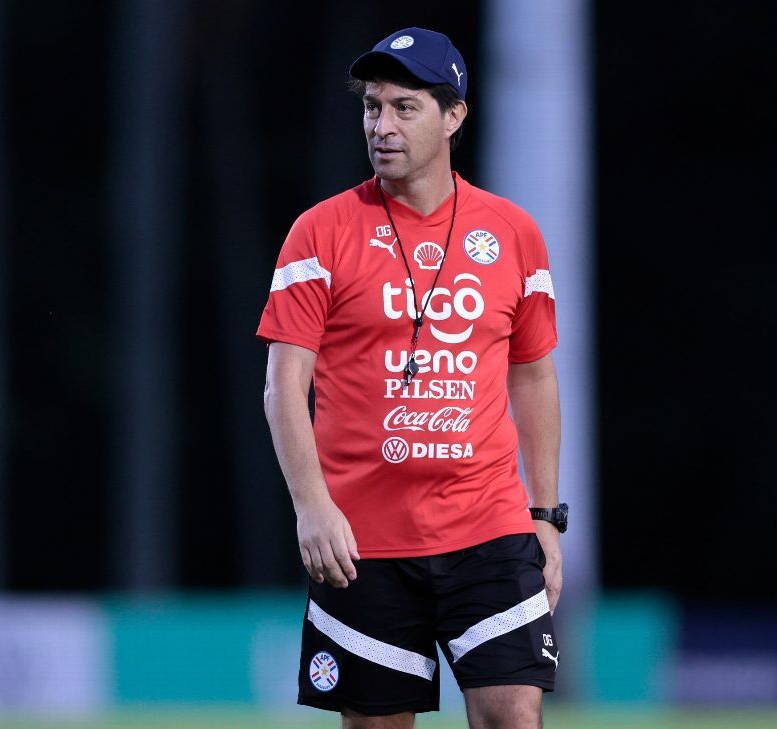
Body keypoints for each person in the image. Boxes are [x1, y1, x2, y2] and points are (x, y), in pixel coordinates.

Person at [258, 27, 566, 729]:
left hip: (489, 529)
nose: (382, 126)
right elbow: (283, 386)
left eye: (404, 107)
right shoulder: (320, 232)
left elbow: (534, 377)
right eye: (372, 107)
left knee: (513, 714)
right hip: (362, 541)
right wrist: (311, 506)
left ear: (453, 116)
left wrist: (546, 516)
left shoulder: (513, 232)